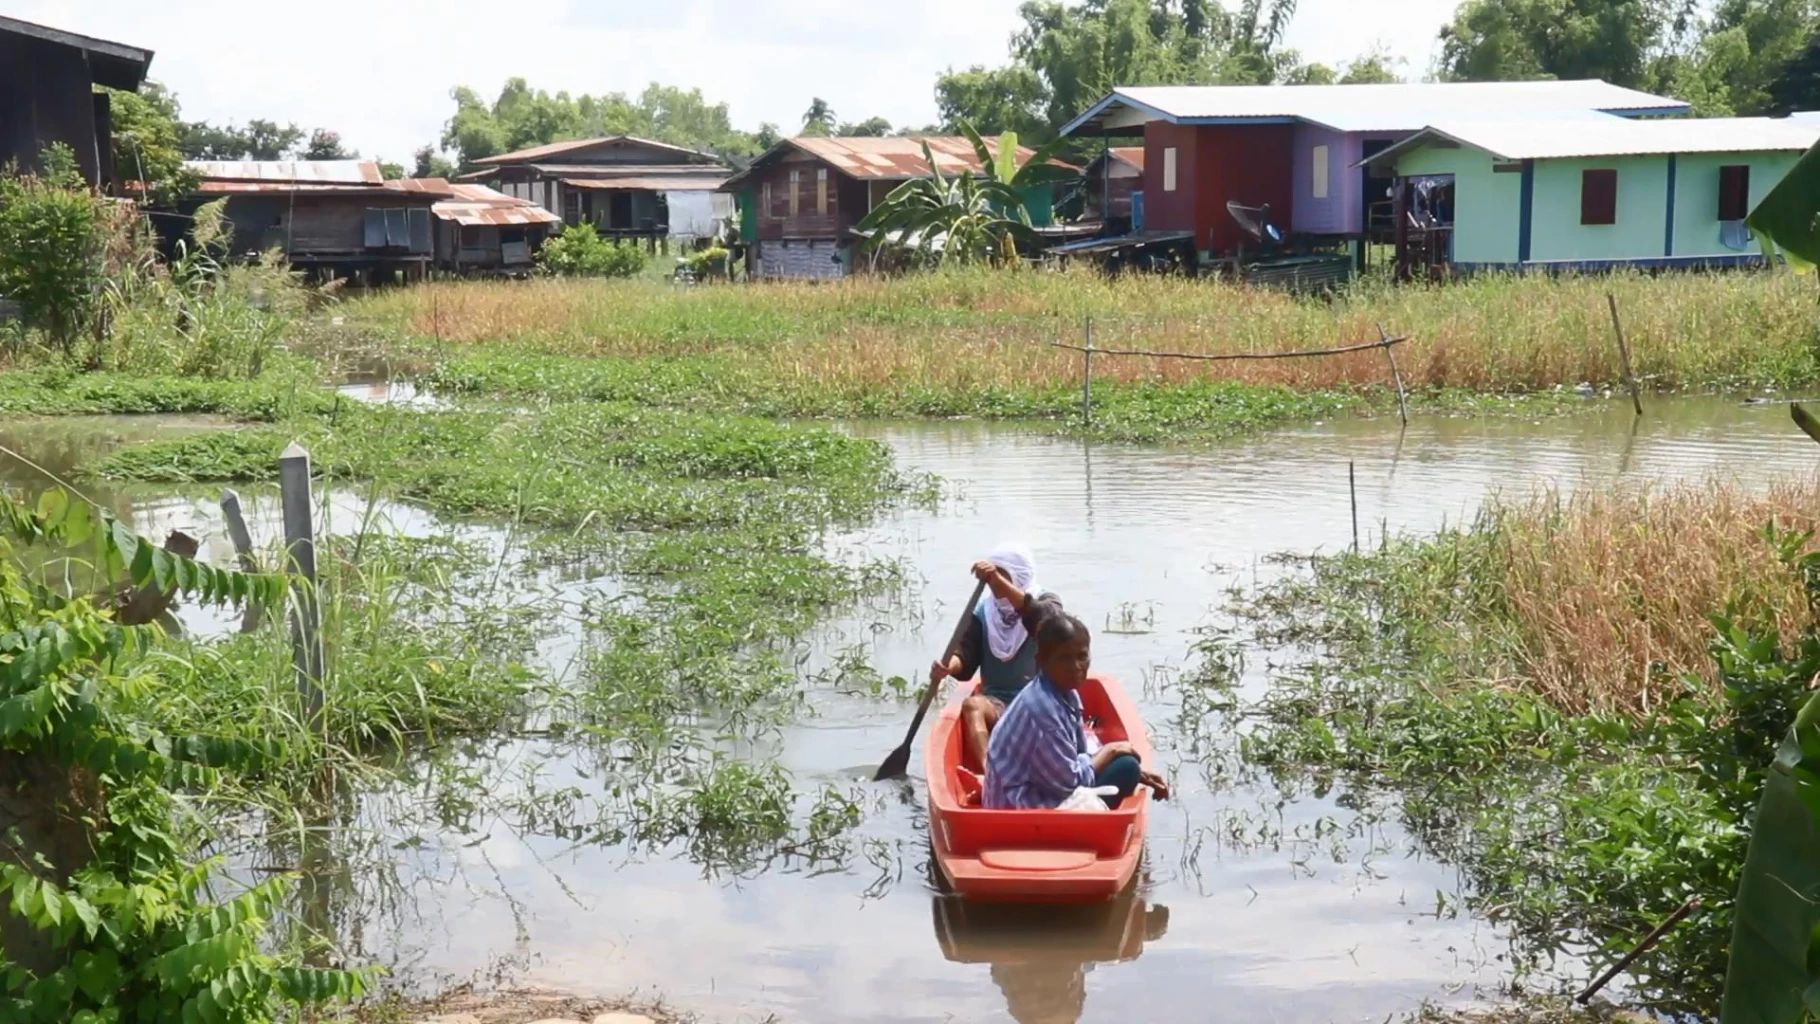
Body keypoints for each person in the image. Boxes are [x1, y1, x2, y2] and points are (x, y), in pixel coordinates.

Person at [983, 613, 1168, 811]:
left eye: (1082, 656)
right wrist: (1110, 750)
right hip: (1015, 810)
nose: (1076, 667)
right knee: (1126, 767)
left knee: (1128, 767)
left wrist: (1142, 774)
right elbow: (1069, 783)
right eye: (1064, 658)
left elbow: (1078, 754)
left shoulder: (1064, 693)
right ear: (1041, 661)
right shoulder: (1043, 711)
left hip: (1029, 793)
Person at [930, 544, 1063, 771]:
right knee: (973, 705)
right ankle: (988, 773)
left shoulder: (1047, 602)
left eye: (1002, 577)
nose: (993, 585)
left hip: (1040, 702)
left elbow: (1045, 619)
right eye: (992, 580)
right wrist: (947, 667)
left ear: (1018, 576)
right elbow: (965, 655)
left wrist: (998, 580)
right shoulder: (985, 611)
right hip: (998, 703)